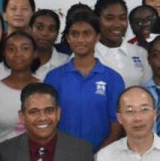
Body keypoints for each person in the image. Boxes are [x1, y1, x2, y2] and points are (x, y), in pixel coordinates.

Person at [44, 8, 125, 152]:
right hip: (62, 159)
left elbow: (117, 127)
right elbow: (46, 122)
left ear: (97, 37)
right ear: (68, 38)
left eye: (87, 33)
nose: (81, 40)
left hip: (102, 160)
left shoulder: (113, 79)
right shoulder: (53, 78)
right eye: (75, 34)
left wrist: (97, 157)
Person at [0, 31, 39, 143]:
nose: (18, 54)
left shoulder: (45, 88)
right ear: (4, 53)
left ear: (35, 53)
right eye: (11, 49)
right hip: (2, 157)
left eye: (25, 48)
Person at [95, 0, 148, 89]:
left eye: (122, 18)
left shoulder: (140, 53)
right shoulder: (87, 55)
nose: (117, 24)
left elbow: (149, 89)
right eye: (109, 18)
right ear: (97, 20)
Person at [30, 9, 69, 77]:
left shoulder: (67, 62)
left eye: (51, 29)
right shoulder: (18, 60)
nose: (45, 33)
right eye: (39, 27)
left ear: (57, 34)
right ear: (30, 30)